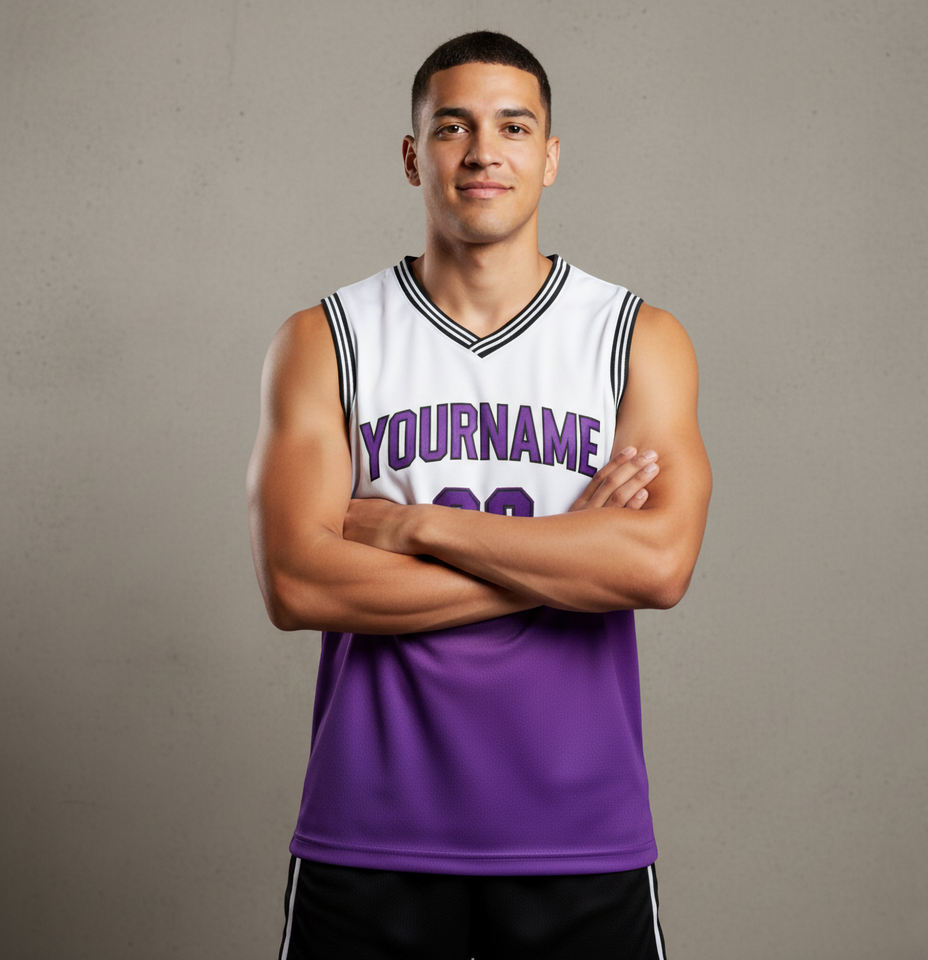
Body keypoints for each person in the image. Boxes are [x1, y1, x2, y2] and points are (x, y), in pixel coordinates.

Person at [247, 30, 711, 960]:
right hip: (369, 827)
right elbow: (298, 585)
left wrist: (416, 526)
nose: (483, 151)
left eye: (513, 126)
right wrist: (567, 552)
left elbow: (658, 567)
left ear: (550, 157)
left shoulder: (636, 337)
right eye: (452, 127)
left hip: (580, 828)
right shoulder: (327, 338)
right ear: (413, 155)